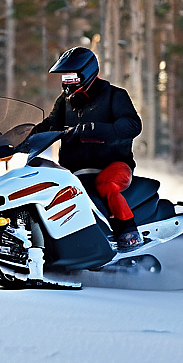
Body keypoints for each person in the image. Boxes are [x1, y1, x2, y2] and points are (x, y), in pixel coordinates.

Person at [34, 45, 144, 250]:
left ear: (86, 73)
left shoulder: (114, 95)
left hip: (112, 166)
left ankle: (129, 233)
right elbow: (50, 125)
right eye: (64, 77)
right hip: (74, 171)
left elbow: (132, 125)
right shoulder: (64, 102)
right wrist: (23, 136)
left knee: (106, 184)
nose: (66, 82)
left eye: (71, 77)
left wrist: (96, 129)